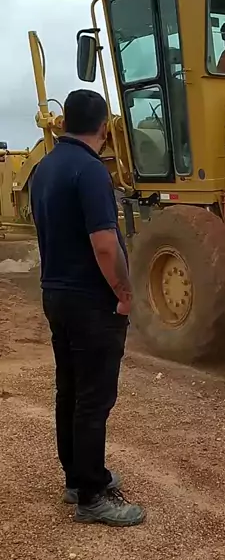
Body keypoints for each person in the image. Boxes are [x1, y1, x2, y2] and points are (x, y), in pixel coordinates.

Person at [30, 89, 145, 527]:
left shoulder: (45, 168)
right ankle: (93, 497)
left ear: (63, 124)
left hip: (56, 295)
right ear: (103, 127)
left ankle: (77, 480)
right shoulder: (91, 171)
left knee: (71, 390)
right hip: (91, 302)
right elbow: (104, 245)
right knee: (94, 399)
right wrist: (125, 293)